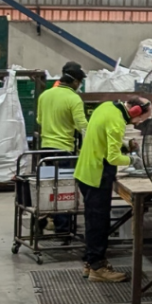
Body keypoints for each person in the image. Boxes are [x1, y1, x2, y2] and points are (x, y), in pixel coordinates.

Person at [74, 97, 152, 283]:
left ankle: (90, 262)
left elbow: (103, 139)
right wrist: (133, 160)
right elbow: (112, 158)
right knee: (98, 223)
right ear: (134, 111)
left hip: (85, 171)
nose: (139, 123)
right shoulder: (117, 121)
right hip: (97, 175)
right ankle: (98, 269)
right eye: (141, 119)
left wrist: (126, 146)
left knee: (93, 221)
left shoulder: (106, 106)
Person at [36, 61, 89, 234]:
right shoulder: (73, 98)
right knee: (64, 190)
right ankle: (63, 229)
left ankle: (46, 218)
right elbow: (82, 126)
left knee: (50, 187)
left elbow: (39, 120)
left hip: (45, 149)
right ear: (75, 82)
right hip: (64, 150)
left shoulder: (45, 95)